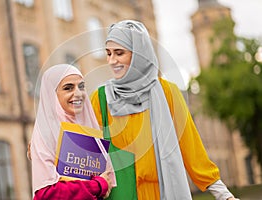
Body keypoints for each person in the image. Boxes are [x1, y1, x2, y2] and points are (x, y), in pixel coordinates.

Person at [90, 20, 239, 200]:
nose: (112, 60)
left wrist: (223, 194)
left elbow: (190, 144)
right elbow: (87, 154)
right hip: (118, 196)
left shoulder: (167, 92)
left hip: (161, 194)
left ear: (138, 54)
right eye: (108, 53)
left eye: (119, 53)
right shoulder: (100, 98)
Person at [30, 64, 112, 200]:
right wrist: (97, 186)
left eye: (81, 87)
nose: (78, 93)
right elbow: (46, 194)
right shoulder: (45, 134)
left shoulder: (89, 129)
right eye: (68, 88)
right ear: (52, 94)